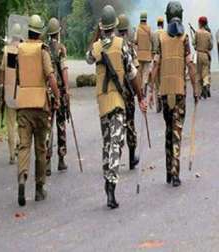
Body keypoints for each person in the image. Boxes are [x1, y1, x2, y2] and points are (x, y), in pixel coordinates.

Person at [86, 5, 146, 209]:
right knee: (115, 143)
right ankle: (111, 183)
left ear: (103, 26)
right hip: (118, 101)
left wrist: (97, 32)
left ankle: (108, 179)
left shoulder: (96, 48)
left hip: (102, 101)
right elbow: (133, 74)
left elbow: (88, 57)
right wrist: (141, 97)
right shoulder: (122, 45)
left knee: (107, 142)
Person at [150, 1, 199, 187]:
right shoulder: (185, 38)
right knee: (177, 131)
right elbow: (190, 65)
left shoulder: (162, 39)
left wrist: (148, 89)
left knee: (168, 131)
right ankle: (175, 173)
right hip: (180, 92)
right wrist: (195, 88)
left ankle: (168, 172)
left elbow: (155, 65)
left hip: (164, 92)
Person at [16, 14, 60, 206]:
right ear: (40, 32)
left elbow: (11, 77)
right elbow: (50, 77)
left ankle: (22, 176)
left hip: (23, 105)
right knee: (40, 148)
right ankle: (40, 188)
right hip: (41, 106)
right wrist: (57, 97)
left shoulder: (18, 50)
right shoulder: (43, 51)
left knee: (24, 146)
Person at [45, 17, 70, 176]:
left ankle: (46, 162)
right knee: (61, 125)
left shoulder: (44, 49)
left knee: (48, 126)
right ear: (58, 33)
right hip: (59, 91)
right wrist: (66, 90)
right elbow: (65, 70)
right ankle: (61, 160)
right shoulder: (61, 49)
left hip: (47, 94)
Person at [117, 14, 140, 171]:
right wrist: (140, 93)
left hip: (116, 93)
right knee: (130, 123)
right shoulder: (130, 47)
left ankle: (115, 160)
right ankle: (132, 158)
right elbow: (135, 71)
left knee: (117, 125)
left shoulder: (113, 45)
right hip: (129, 93)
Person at [0, 23, 22, 165]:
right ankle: (20, 146)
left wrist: (3, 86)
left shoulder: (7, 51)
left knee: (10, 124)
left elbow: (3, 71)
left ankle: (11, 154)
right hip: (21, 91)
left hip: (9, 92)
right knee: (21, 122)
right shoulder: (23, 50)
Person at [193, 16, 213, 99]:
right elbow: (211, 46)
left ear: (200, 23)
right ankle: (205, 84)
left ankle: (199, 92)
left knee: (198, 73)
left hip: (199, 54)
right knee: (205, 72)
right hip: (206, 54)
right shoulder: (208, 34)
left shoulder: (197, 32)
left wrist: (196, 47)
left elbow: (194, 43)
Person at [135, 12, 153, 96]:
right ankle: (144, 85)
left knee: (140, 73)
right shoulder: (149, 29)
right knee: (146, 73)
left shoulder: (137, 29)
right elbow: (152, 40)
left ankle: (140, 89)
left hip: (139, 55)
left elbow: (135, 40)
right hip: (147, 55)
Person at [152, 17, 165, 112]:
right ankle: (163, 98)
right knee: (163, 81)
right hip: (164, 59)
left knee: (156, 83)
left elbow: (152, 47)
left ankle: (158, 106)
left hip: (155, 58)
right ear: (163, 24)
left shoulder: (154, 33)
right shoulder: (165, 33)